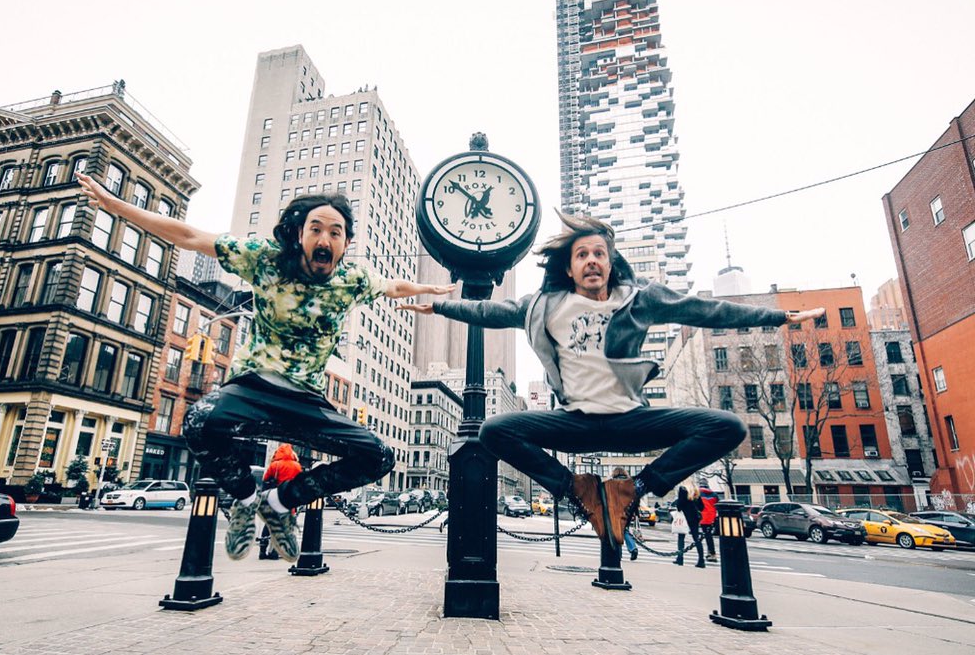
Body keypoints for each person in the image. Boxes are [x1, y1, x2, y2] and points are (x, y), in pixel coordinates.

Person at [77, 174, 452, 561]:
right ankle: (244, 498)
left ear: (346, 244)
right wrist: (116, 206)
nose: (325, 240)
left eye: (335, 233)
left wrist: (431, 293)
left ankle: (279, 502)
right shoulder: (265, 258)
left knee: (380, 457)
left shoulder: (352, 280)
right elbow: (190, 236)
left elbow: (392, 286)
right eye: (316, 230)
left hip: (306, 400)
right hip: (252, 388)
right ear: (300, 234)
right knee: (198, 421)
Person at [400, 211, 825, 550]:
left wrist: (779, 317)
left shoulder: (640, 299)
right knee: (494, 431)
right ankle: (579, 491)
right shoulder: (545, 306)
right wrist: (438, 309)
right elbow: (492, 312)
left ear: (610, 261)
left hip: (630, 422)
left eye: (598, 254)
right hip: (575, 422)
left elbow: (706, 311)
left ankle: (632, 490)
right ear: (569, 268)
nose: (591, 261)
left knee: (727, 427)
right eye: (582, 255)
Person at [259, 444, 303, 560]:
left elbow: (265, 480)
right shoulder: (297, 466)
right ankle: (277, 551)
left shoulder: (275, 465)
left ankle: (263, 550)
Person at [672, 481, 705, 568]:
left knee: (681, 538)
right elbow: (702, 507)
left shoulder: (682, 489)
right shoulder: (696, 490)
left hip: (685, 516)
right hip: (695, 517)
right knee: (696, 538)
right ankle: (701, 560)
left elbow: (680, 505)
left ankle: (680, 558)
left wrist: (678, 506)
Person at [611, 466, 639, 560]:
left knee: (616, 532)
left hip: (616, 510)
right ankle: (633, 548)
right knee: (624, 530)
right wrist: (635, 512)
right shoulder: (630, 483)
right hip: (628, 511)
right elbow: (635, 498)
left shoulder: (612, 483)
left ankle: (618, 554)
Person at [698, 480, 719, 561]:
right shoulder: (714, 494)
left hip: (701, 517)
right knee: (709, 536)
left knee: (699, 537)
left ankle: (706, 555)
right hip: (711, 517)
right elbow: (717, 505)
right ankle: (711, 553)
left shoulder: (697, 493)